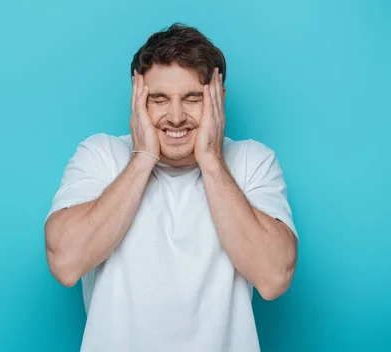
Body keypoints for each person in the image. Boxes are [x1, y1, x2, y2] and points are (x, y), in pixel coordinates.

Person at [44, 23, 298, 352]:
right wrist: (142, 157)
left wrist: (210, 158)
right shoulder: (100, 156)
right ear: (137, 100)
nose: (176, 117)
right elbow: (65, 263)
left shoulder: (253, 161)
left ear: (218, 98)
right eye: (159, 99)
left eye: (192, 98)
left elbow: (274, 277)